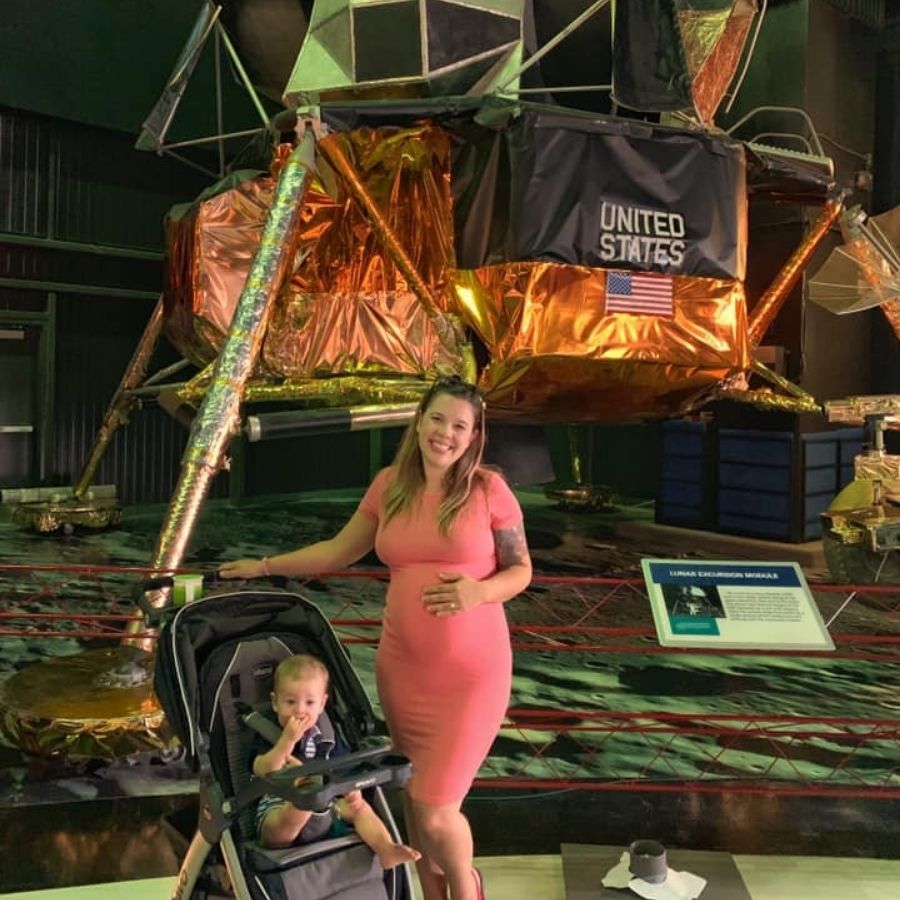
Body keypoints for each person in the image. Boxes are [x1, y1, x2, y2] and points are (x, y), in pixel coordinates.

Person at [221, 375, 533, 900]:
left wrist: (479, 592)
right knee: (412, 796)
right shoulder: (390, 484)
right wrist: (264, 565)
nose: (445, 433)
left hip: (469, 677)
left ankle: (466, 890)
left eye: (460, 426)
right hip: (403, 671)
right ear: (419, 421)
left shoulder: (488, 490)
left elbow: (521, 570)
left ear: (474, 436)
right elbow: (338, 551)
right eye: (437, 419)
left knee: (436, 808)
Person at [252, 652, 421, 869]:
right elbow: (263, 769)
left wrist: (351, 789)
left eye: (309, 702)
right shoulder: (266, 733)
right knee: (277, 828)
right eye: (290, 701)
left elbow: (346, 768)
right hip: (280, 803)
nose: (300, 710)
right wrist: (287, 741)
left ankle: (385, 848)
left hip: (328, 804)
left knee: (361, 808)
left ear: (322, 704)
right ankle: (307, 797)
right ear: (275, 702)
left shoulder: (327, 737)